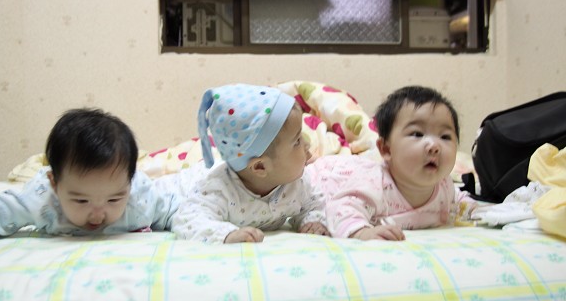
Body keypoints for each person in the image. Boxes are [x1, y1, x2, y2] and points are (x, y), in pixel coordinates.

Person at [0, 108, 179, 248]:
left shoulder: (140, 199)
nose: (97, 215)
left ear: (129, 184)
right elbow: (0, 210)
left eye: (113, 199)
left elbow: (174, 210)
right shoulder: (43, 201)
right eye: (81, 200)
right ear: (55, 184)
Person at [306, 85, 477, 241]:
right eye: (417, 134)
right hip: (325, 180)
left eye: (445, 137)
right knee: (306, 202)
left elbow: (458, 198)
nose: (434, 146)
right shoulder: (374, 185)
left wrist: (474, 209)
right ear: (386, 149)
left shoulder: (445, 186)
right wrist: (361, 232)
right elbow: (341, 207)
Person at [171, 83, 329, 244]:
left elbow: (314, 204)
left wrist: (313, 221)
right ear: (260, 167)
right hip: (178, 191)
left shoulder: (297, 183)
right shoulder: (219, 189)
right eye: (297, 141)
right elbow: (187, 219)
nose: (307, 144)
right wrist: (226, 235)